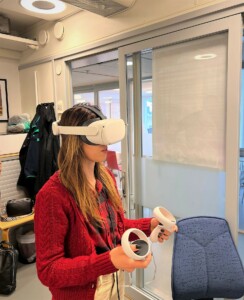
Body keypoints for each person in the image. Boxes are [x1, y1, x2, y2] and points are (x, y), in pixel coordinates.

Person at [34, 103, 176, 300]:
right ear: (74, 139)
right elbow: (49, 270)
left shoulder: (106, 177)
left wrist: (148, 225)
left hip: (114, 283)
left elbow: (114, 228)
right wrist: (108, 261)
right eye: (96, 134)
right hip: (84, 292)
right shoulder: (53, 195)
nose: (105, 142)